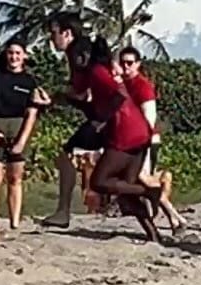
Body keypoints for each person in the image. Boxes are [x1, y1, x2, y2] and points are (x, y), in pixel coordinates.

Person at [67, 36, 163, 241]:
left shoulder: (97, 72)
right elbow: (97, 105)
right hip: (139, 133)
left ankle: (148, 191)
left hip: (125, 132)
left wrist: (100, 121)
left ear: (82, 56)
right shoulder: (99, 71)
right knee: (125, 193)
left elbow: (117, 97)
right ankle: (153, 234)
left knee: (99, 182)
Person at [40, 12, 105, 229]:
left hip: (103, 119)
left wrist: (56, 97)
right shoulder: (81, 50)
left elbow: (86, 94)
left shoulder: (78, 52)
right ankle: (173, 216)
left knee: (66, 156)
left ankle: (63, 211)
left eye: (54, 33)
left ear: (67, 33)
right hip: (105, 117)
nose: (52, 38)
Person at [118, 45, 187, 234]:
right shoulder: (124, 85)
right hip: (130, 140)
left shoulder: (142, 86)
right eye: (122, 63)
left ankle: (174, 216)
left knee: (142, 178)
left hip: (144, 140)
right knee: (138, 179)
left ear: (138, 64)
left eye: (129, 63)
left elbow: (149, 117)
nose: (126, 67)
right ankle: (174, 218)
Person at [0, 37, 40, 229]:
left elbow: (32, 113)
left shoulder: (29, 81)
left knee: (15, 177)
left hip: (19, 126)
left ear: (24, 56)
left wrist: (22, 141)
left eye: (18, 53)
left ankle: (15, 222)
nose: (14, 57)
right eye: (11, 53)